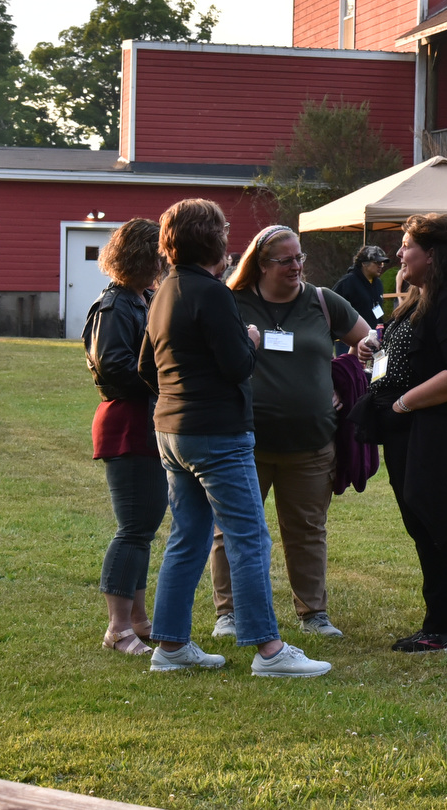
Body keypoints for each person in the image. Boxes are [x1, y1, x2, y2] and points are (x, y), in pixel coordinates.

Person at [140, 198, 330, 676]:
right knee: (249, 538)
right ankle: (269, 650)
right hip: (218, 435)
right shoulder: (213, 293)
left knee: (188, 538)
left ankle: (171, 647)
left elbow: (145, 367)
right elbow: (238, 366)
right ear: (217, 242)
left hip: (172, 431)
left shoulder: (164, 290)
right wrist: (251, 340)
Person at [210, 225, 377, 641]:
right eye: (286, 260)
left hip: (311, 442)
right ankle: (228, 614)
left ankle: (313, 613)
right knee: (231, 530)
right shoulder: (231, 302)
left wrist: (351, 379)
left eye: (299, 258)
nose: (297, 267)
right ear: (260, 264)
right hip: (242, 442)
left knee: (306, 531)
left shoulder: (322, 302)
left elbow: (371, 342)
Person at [374, 213, 447, 650]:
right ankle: (443, 620)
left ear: (433, 254)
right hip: (411, 431)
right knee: (423, 527)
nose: (400, 254)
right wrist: (376, 346)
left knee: (433, 524)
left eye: (407, 247)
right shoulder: (421, 297)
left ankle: (444, 628)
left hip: (435, 433)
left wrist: (404, 404)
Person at [84, 218, 167, 658]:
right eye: (159, 253)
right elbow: (114, 367)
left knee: (144, 527)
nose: (165, 260)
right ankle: (118, 628)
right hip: (128, 421)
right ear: (141, 255)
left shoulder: (142, 298)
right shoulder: (115, 306)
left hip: (145, 420)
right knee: (134, 528)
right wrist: (166, 379)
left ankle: (138, 619)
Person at [334, 244, 390, 345]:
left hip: (371, 339)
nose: (380, 266)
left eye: (382, 263)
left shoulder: (378, 284)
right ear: (364, 263)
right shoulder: (348, 282)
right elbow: (332, 308)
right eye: (377, 262)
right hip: (348, 342)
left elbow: (378, 311)